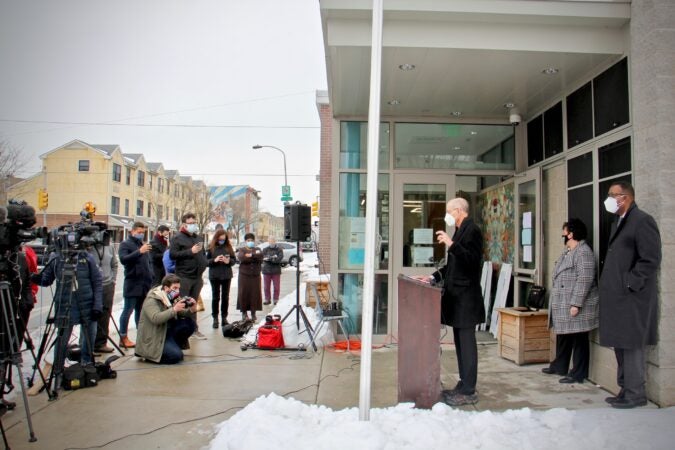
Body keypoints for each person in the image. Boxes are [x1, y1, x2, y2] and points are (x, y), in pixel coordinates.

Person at [415, 197, 484, 406]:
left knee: (467, 345)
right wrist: (433, 277)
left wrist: (451, 244)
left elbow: (472, 262)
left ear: (459, 211)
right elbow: (452, 266)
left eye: (448, 211)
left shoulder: (473, 231)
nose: (447, 216)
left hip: (467, 300)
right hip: (458, 300)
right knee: (460, 346)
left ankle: (469, 389)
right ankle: (463, 384)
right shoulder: (460, 230)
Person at [599, 181, 661, 409]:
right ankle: (625, 388)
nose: (608, 199)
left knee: (632, 345)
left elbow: (650, 259)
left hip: (633, 299)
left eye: (611, 195)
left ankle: (636, 393)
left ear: (624, 197)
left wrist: (629, 283)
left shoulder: (642, 221)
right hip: (618, 299)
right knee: (620, 344)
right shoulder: (620, 222)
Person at [543, 219, 599, 384]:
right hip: (563, 303)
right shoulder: (568, 251)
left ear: (571, 234)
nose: (563, 235)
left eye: (564, 232)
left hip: (576, 304)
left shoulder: (583, 252)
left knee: (579, 339)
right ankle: (560, 365)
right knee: (564, 336)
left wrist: (576, 304)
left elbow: (585, 279)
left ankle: (578, 373)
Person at [32, 249, 103, 365]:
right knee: (62, 339)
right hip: (64, 305)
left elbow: (97, 282)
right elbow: (46, 280)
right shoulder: (56, 257)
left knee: (90, 336)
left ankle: (87, 363)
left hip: (88, 305)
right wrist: (31, 276)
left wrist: (97, 306)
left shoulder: (87, 256)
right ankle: (58, 367)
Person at [135, 274, 197, 364]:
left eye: (178, 288)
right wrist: (174, 309)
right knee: (176, 357)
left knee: (189, 324)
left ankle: (173, 345)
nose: (177, 291)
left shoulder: (171, 296)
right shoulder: (152, 300)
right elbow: (156, 318)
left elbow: (181, 312)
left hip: (166, 330)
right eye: (175, 288)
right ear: (166, 288)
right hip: (155, 335)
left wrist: (192, 308)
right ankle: (151, 355)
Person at [170, 213, 208, 339]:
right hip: (184, 276)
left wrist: (204, 262)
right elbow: (173, 255)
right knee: (183, 303)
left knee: (193, 303)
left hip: (197, 277)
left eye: (194, 223)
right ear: (184, 224)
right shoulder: (177, 238)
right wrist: (190, 252)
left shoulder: (198, 238)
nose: (193, 225)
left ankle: (194, 328)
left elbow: (202, 254)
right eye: (190, 223)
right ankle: (182, 330)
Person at [118, 222, 154, 348]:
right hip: (132, 283)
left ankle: (141, 335)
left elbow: (148, 264)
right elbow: (124, 259)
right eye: (139, 232)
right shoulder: (125, 244)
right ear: (132, 231)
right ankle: (123, 337)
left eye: (143, 232)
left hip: (144, 284)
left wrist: (151, 276)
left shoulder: (143, 245)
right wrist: (139, 251)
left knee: (141, 311)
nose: (141, 234)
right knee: (128, 311)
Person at [89, 240, 119, 354]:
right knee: (91, 315)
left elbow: (114, 264)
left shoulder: (109, 247)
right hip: (93, 286)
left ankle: (101, 343)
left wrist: (113, 280)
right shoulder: (88, 247)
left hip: (108, 285)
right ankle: (88, 345)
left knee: (105, 315)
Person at [206, 228, 236, 328]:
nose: (222, 241)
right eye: (220, 239)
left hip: (226, 275)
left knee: (225, 297)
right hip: (214, 275)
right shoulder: (211, 247)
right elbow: (206, 262)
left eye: (223, 239)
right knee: (215, 297)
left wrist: (229, 261)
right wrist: (214, 260)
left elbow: (234, 260)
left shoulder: (229, 247)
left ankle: (224, 318)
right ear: (217, 238)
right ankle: (215, 318)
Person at [236, 232, 263, 322]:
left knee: (254, 294)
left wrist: (251, 255)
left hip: (255, 276)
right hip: (244, 276)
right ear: (245, 241)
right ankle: (244, 313)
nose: (250, 242)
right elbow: (242, 258)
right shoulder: (242, 250)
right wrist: (253, 257)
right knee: (243, 294)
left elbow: (260, 257)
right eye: (248, 240)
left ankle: (253, 313)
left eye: (251, 240)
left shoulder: (257, 249)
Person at [261, 236, 284, 305]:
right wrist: (273, 258)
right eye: (270, 241)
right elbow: (264, 258)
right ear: (268, 241)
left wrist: (270, 259)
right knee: (266, 287)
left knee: (276, 286)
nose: (271, 242)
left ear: (275, 241)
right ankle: (267, 299)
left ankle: (275, 299)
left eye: (273, 241)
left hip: (276, 271)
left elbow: (279, 259)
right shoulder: (265, 249)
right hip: (266, 271)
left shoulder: (279, 249)